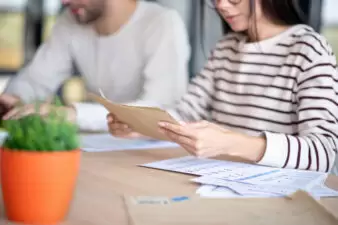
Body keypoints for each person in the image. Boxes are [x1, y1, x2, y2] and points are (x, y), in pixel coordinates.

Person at [107, 0, 338, 173]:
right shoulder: (226, 48)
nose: (222, 6)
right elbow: (186, 113)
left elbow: (323, 153)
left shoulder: (308, 50)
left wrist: (231, 143)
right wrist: (142, 126)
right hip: (219, 182)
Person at [0, 0, 190, 131]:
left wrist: (73, 114)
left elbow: (161, 109)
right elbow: (37, 80)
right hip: (99, 147)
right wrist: (15, 99)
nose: (64, 2)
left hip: (150, 154)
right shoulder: (71, 20)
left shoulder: (162, 22)